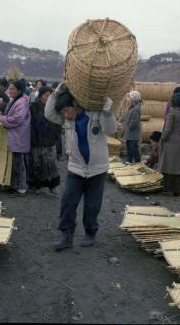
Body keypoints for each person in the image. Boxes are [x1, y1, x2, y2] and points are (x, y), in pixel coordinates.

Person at [45, 83, 117, 250]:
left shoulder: (95, 115)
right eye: (62, 113)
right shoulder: (66, 120)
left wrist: (107, 112)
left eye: (67, 111)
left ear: (75, 105)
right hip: (75, 168)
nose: (65, 115)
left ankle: (90, 232)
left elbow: (111, 130)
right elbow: (48, 113)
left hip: (97, 169)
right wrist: (56, 93)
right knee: (68, 201)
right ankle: (66, 236)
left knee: (92, 204)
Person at [0, 80, 31, 194]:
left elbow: (17, 119)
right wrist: (2, 116)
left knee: (18, 163)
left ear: (19, 90)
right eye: (9, 88)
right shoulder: (16, 100)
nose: (10, 91)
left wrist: (2, 119)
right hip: (15, 135)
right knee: (13, 162)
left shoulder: (21, 102)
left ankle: (20, 187)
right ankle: (13, 185)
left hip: (18, 136)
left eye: (12, 89)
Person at [29, 86, 61, 193]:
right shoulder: (33, 106)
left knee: (51, 163)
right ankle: (37, 185)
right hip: (37, 139)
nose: (47, 98)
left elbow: (58, 124)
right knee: (37, 163)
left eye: (49, 96)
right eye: (45, 95)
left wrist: (56, 136)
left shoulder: (54, 107)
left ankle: (53, 186)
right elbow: (31, 123)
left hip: (49, 139)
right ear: (40, 96)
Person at [158, 92, 180, 196]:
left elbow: (167, 130)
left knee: (169, 166)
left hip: (172, 143)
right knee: (179, 167)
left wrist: (162, 139)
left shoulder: (172, 113)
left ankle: (168, 188)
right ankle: (178, 189)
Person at [123, 90, 142, 164]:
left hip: (133, 133)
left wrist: (129, 127)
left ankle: (138, 162)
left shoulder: (136, 109)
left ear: (133, 99)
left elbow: (134, 121)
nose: (128, 99)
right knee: (129, 148)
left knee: (133, 148)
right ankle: (128, 161)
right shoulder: (132, 107)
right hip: (130, 133)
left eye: (130, 98)